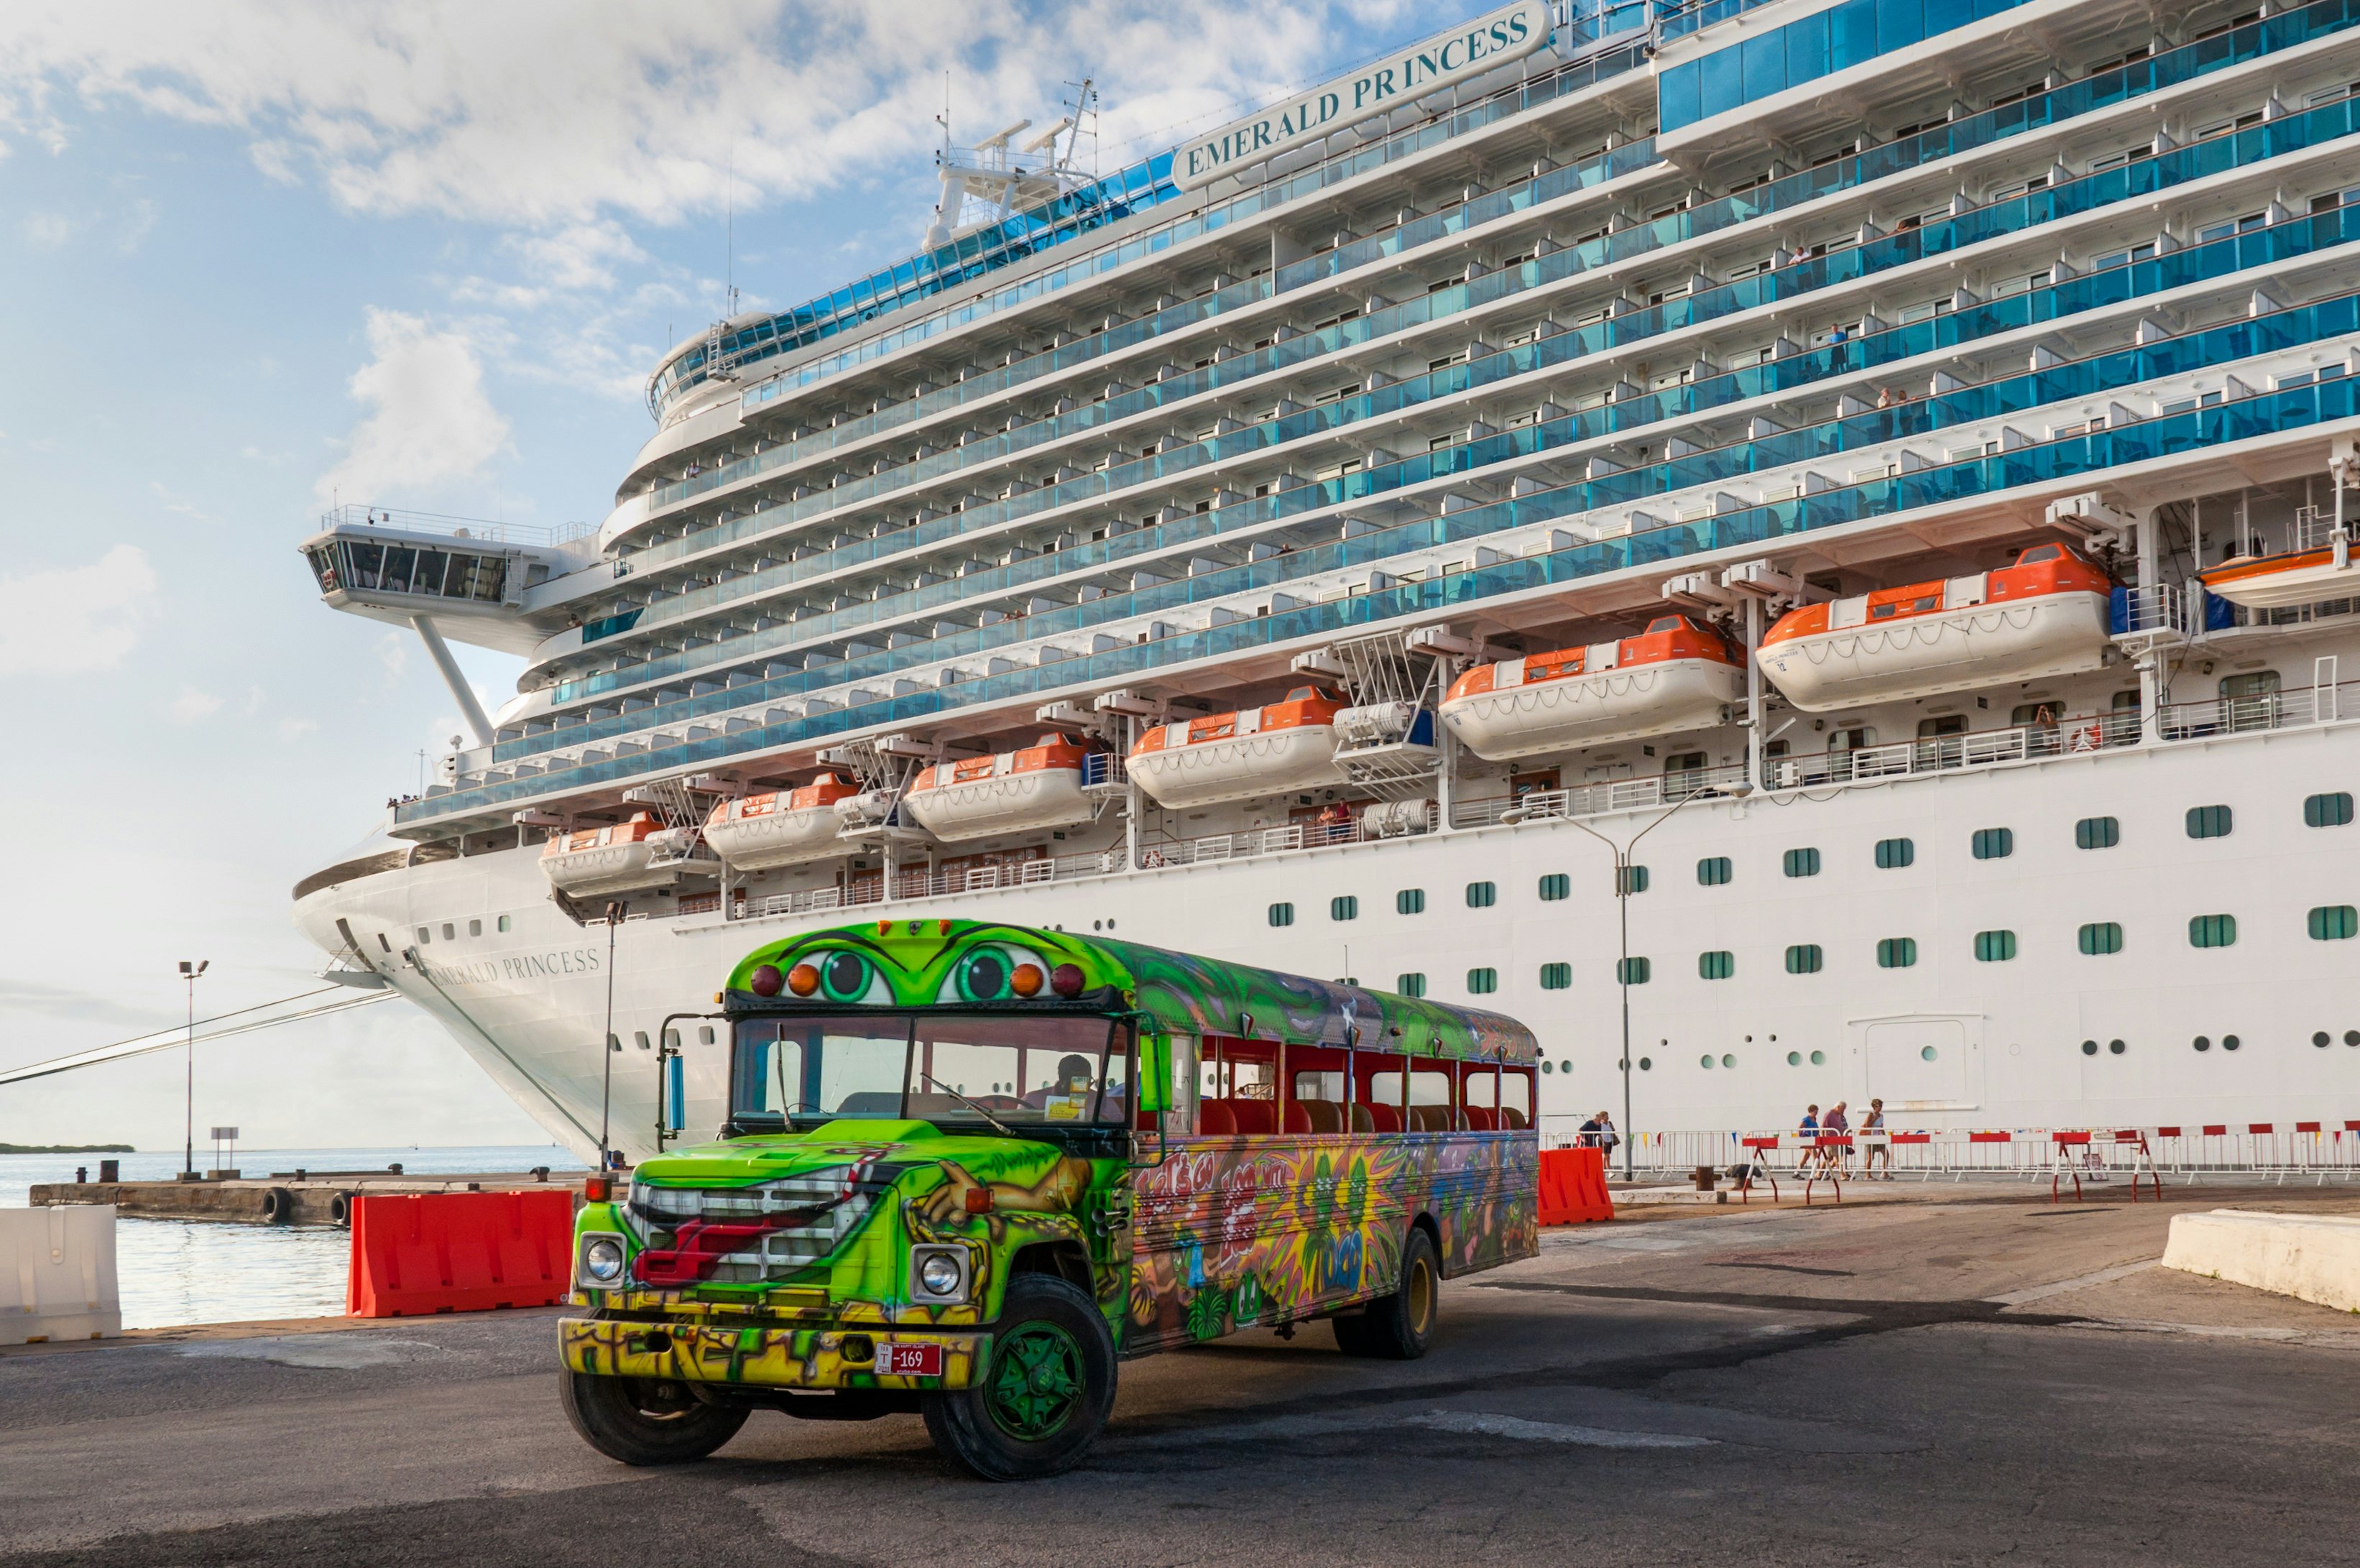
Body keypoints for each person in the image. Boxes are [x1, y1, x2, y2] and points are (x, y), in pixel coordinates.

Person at [1862, 1098, 1890, 1179]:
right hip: (1871, 1137)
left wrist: (1884, 1136)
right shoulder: (1871, 1115)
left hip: (1879, 1137)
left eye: (1881, 1106)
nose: (1880, 1108)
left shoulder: (1881, 1116)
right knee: (1871, 1156)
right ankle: (1868, 1174)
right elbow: (1867, 1126)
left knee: (1886, 1154)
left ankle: (1884, 1172)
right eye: (1878, 1106)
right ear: (1874, 1106)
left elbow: (1881, 1127)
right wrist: (1875, 1118)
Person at [1822, 1100, 1850, 1171]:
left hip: (1838, 1140)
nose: (1843, 1111)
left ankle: (1819, 1172)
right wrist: (1823, 1139)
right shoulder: (1829, 1114)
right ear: (1838, 1107)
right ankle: (1842, 1174)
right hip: (1831, 1139)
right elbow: (1823, 1127)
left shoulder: (1838, 1115)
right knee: (1836, 1156)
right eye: (1843, 1109)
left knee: (1830, 1157)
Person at [1797, 1104, 1821, 1176]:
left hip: (1813, 1140)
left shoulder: (1814, 1119)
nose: (1816, 1113)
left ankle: (1797, 1172)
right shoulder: (1806, 1119)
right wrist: (1800, 1139)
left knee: (1806, 1156)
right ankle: (1817, 1172)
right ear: (1811, 1111)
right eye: (1815, 1112)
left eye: (1817, 1112)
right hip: (1807, 1140)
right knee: (1815, 1155)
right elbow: (1799, 1128)